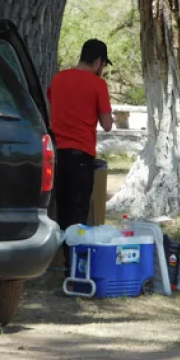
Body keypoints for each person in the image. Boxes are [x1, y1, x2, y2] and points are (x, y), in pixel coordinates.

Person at [47, 39, 113, 241]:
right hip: (81, 156)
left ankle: (60, 258)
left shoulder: (58, 79)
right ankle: (74, 264)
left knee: (61, 209)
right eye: (103, 65)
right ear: (98, 62)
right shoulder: (98, 84)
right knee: (78, 213)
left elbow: (53, 108)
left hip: (56, 155)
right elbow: (107, 124)